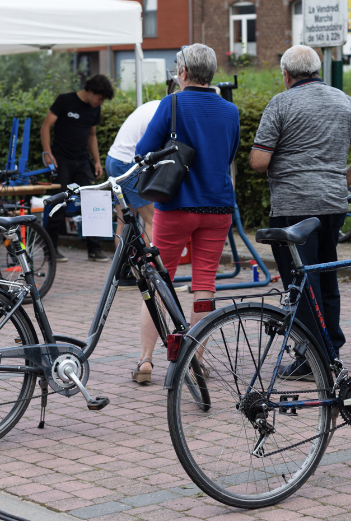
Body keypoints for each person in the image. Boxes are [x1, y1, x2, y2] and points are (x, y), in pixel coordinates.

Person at [251, 45, 351, 378]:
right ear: (316, 69)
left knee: (300, 281)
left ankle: (313, 357)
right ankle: (330, 345)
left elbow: (259, 161)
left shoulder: (280, 103)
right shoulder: (343, 100)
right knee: (325, 276)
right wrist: (341, 180)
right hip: (332, 206)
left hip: (294, 207)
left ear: (286, 74)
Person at [132, 44, 239, 385]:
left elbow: (143, 151)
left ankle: (146, 361)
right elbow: (229, 155)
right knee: (205, 284)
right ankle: (196, 361)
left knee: (159, 281)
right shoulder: (231, 111)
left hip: (176, 204)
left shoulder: (172, 103)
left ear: (183, 73)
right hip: (218, 206)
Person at [41, 74, 115, 263]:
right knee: (59, 203)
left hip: (82, 160)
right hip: (61, 160)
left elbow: (92, 136)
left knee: (95, 200)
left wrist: (97, 161)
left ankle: (94, 249)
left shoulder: (94, 108)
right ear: (90, 91)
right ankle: (51, 250)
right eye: (100, 98)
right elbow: (45, 127)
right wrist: (48, 154)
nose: (101, 103)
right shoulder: (64, 101)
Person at [105, 87, 167, 283]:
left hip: (113, 159)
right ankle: (152, 274)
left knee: (123, 220)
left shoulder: (155, 105)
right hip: (126, 163)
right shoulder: (162, 114)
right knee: (153, 218)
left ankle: (123, 274)